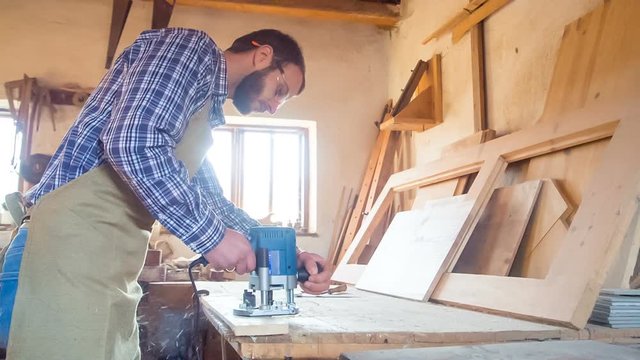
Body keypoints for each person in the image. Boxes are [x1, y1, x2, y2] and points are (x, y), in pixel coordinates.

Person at [6, 28, 331, 359]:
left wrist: (290, 256)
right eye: (280, 90)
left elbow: (212, 202)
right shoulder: (192, 50)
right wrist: (212, 237)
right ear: (262, 56)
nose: (275, 107)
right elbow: (133, 141)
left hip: (105, 266)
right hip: (64, 250)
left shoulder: (201, 111)